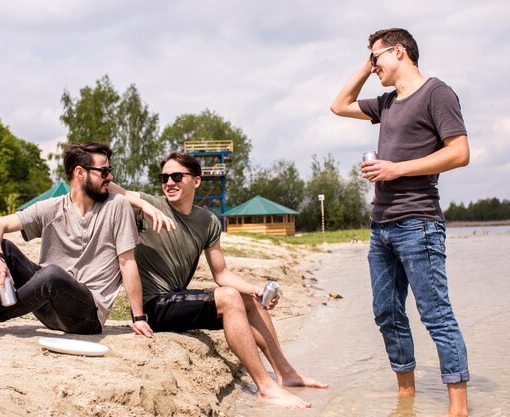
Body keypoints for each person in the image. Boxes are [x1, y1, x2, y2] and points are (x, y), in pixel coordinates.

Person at [109, 152, 328, 409]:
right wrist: (144, 205)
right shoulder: (150, 205)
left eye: (177, 176)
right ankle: (265, 387)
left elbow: (221, 273)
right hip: (153, 307)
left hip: (177, 299)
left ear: (196, 181)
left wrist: (255, 289)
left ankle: (286, 373)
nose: (169, 182)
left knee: (249, 299)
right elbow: (112, 188)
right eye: (164, 177)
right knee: (229, 297)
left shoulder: (208, 220)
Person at [330, 28, 469, 417]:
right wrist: (367, 61)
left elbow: (460, 152)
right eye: (371, 61)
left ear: (400, 52)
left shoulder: (437, 93)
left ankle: (458, 407)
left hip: (419, 223)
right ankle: (406, 394)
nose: (374, 67)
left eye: (377, 58)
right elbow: (339, 105)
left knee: (436, 315)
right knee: (387, 312)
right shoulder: (387, 102)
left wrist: (397, 168)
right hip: (382, 226)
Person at [0, 142, 154, 341]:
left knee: (52, 274)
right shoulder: (52, 207)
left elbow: (127, 262)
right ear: (80, 173)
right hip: (46, 308)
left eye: (110, 170)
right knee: (4, 248)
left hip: (87, 316)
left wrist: (139, 317)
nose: (110, 177)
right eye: (104, 171)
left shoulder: (118, 206)